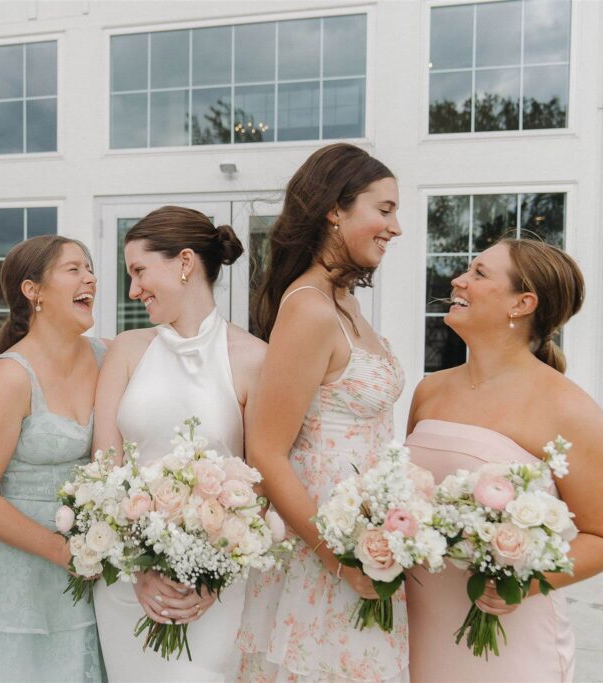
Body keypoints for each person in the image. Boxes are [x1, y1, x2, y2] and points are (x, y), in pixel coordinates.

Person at [405, 238, 603, 682]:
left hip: (508, 639)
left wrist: (525, 580)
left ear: (522, 303)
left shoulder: (570, 411)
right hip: (418, 625)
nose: (459, 280)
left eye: (480, 274)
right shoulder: (430, 390)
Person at [237, 143, 409, 682]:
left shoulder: (346, 303)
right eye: (384, 210)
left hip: (367, 536)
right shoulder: (309, 308)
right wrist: (338, 560)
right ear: (335, 209)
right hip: (324, 549)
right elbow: (265, 451)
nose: (396, 227)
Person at [92, 206, 266, 681]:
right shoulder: (127, 351)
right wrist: (137, 566)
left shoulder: (254, 360)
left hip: (213, 589)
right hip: (129, 583)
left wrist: (215, 575)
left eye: (139, 270)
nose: (133, 290)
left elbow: (264, 481)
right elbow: (101, 470)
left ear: (185, 262)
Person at [0, 235, 107, 682]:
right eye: (74, 269)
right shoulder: (9, 377)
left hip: (91, 567)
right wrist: (63, 552)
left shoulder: (109, 357)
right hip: (15, 573)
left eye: (89, 268)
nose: (90, 278)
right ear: (34, 291)